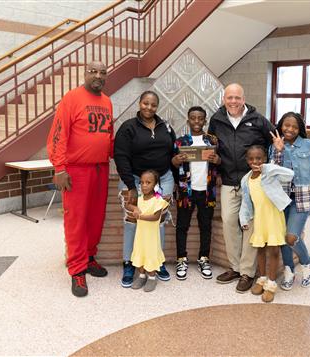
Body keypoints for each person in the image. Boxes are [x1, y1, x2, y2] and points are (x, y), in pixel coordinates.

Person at [46, 61, 113, 297]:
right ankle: (76, 270)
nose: (98, 76)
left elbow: (108, 135)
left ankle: (89, 257)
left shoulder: (106, 101)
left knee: (95, 218)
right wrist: (60, 167)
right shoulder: (72, 98)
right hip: (76, 170)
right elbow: (58, 134)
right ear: (85, 74)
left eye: (102, 72)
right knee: (76, 220)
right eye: (93, 71)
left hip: (100, 168)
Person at [207, 83, 275, 293]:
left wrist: (265, 169)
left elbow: (273, 142)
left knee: (249, 225)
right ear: (224, 99)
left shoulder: (257, 120)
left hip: (252, 182)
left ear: (243, 99)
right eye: (230, 98)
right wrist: (216, 170)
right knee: (229, 222)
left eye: (237, 98)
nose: (233, 102)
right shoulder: (217, 120)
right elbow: (212, 146)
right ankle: (235, 267)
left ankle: (247, 271)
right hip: (228, 180)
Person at [113, 90, 176, 288]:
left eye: (153, 104)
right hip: (136, 181)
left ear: (158, 107)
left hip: (163, 178)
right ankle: (130, 263)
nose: (149, 107)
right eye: (145, 103)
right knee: (133, 221)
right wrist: (131, 186)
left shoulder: (165, 126)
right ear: (139, 103)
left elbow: (173, 151)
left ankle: (156, 263)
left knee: (158, 221)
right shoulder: (128, 127)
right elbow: (120, 156)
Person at [269, 112, 310, 290]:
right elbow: (273, 173)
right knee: (282, 236)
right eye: (286, 125)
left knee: (291, 237)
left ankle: (307, 263)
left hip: (302, 199)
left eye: (294, 126)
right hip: (282, 199)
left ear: (300, 128)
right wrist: (278, 151)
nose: (290, 129)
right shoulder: (275, 146)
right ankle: (289, 270)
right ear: (280, 126)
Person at [239, 145, 294, 303]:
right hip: (259, 218)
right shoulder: (246, 179)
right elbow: (246, 202)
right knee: (260, 250)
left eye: (259, 158)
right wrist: (244, 219)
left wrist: (268, 167)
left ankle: (271, 284)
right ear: (247, 160)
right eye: (251, 158)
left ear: (264, 159)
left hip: (274, 216)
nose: (255, 161)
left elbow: (290, 174)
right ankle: (262, 279)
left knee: (274, 251)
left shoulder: (269, 173)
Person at [171, 106, 220, 280]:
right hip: (186, 191)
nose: (197, 121)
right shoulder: (180, 142)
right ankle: (181, 259)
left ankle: (203, 258)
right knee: (182, 226)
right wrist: (175, 161)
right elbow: (172, 165)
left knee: (205, 225)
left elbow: (220, 162)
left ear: (205, 120)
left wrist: (218, 160)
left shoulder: (212, 141)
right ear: (188, 120)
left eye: (200, 118)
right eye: (193, 118)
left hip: (207, 192)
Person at [125, 170, 169, 292]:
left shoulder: (158, 201)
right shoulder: (139, 199)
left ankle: (152, 278)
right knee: (140, 256)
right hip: (140, 237)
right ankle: (141, 276)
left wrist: (139, 216)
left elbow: (155, 217)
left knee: (150, 256)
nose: (144, 185)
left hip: (151, 238)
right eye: (142, 182)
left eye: (148, 182)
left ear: (155, 185)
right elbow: (128, 205)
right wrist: (134, 208)